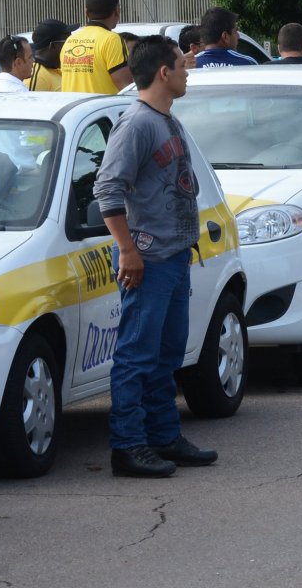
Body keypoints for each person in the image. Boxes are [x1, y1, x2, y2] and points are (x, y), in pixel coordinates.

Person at [92, 34, 216, 478]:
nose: (187, 73)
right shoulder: (137, 124)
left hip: (174, 256)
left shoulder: (168, 121)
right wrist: (127, 249)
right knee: (136, 356)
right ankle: (128, 446)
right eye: (181, 66)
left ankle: (164, 436)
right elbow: (108, 189)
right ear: (164, 73)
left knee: (167, 354)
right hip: (147, 258)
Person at [60, 0, 133, 94]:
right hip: (102, 110)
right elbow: (126, 88)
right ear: (117, 11)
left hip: (74, 110)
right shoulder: (112, 40)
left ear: (86, 13)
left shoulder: (70, 41)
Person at [193, 7, 258, 68]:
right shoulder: (248, 63)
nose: (238, 36)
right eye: (235, 32)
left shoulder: (191, 65)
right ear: (225, 37)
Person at [28, 18, 71, 92]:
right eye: (68, 42)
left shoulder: (58, 69)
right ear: (53, 46)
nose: (70, 46)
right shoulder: (38, 77)